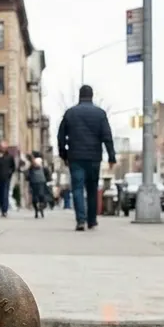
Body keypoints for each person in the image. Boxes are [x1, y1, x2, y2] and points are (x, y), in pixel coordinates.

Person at [57, 85, 116, 231]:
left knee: (77, 188)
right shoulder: (100, 114)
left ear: (79, 95)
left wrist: (64, 154)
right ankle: (92, 220)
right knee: (92, 189)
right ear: (91, 95)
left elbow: (60, 136)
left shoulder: (70, 113)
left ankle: (80, 220)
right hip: (94, 157)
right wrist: (111, 156)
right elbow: (107, 136)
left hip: (75, 157)